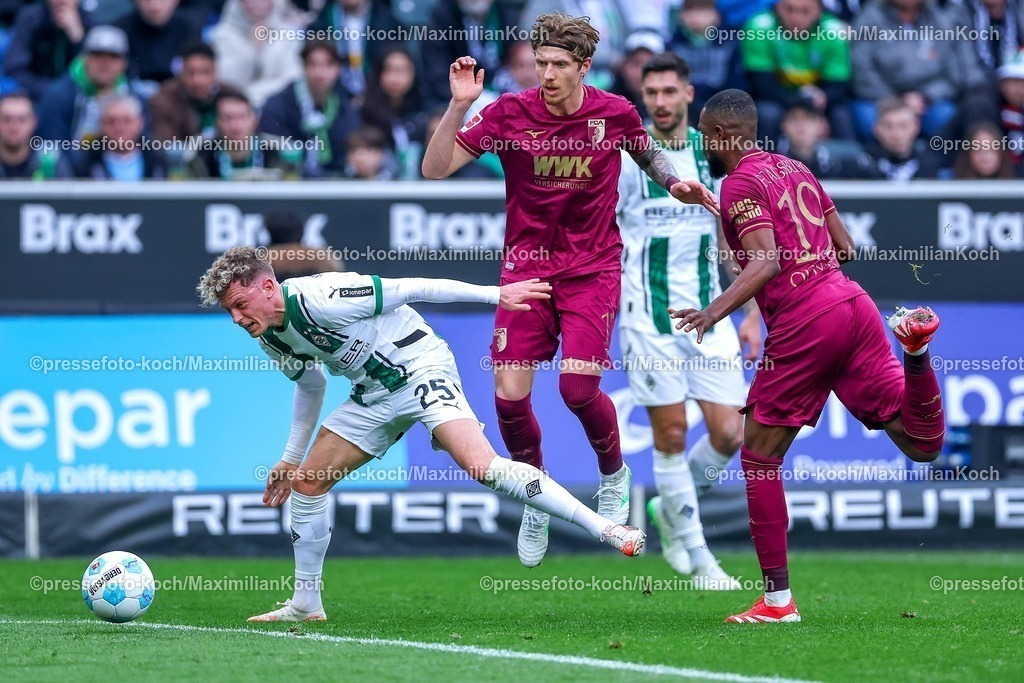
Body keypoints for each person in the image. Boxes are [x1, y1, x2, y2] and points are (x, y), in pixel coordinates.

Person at [196, 247, 647, 622]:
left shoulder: (322, 295)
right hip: (373, 393)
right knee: (308, 483)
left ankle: (605, 528)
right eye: (229, 311)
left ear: (268, 287)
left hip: (420, 369)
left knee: (482, 467)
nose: (236, 318)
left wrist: (497, 295)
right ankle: (305, 604)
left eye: (240, 305)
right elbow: (311, 384)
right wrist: (291, 457)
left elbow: (414, 287)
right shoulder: (270, 336)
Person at [421, 12, 718, 569]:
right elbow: (435, 169)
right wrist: (461, 103)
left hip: (592, 269)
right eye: (541, 64)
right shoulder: (508, 112)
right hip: (526, 271)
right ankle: (535, 494)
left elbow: (645, 152)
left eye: (559, 64)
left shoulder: (614, 112)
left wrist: (675, 181)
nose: (548, 74)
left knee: (578, 393)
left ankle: (613, 475)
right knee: (509, 398)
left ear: (584, 66)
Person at [676, 89, 946, 623]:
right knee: (920, 444)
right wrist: (719, 213)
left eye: (706, 134)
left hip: (806, 320)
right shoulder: (794, 167)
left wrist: (712, 313)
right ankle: (916, 354)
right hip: (853, 303)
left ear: (725, 135)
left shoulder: (738, 183)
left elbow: (767, 262)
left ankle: (777, 603)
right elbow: (845, 249)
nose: (703, 143)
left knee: (758, 457)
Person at [616, 53, 760, 588]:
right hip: (646, 319)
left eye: (669, 91)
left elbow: (735, 243)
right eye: (651, 92)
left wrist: (747, 314)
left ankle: (672, 515)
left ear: (688, 94)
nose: (660, 101)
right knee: (671, 434)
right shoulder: (630, 159)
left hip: (709, 316)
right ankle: (699, 559)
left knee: (730, 433)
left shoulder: (710, 157)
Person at [260, 40, 361, 178]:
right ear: (303, 67)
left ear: (338, 69)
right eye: (313, 64)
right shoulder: (278, 104)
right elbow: (269, 147)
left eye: (328, 65)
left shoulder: (345, 105)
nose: (320, 73)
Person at [36, 25, 147, 143]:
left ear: (124, 63)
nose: (105, 63)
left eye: (113, 57)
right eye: (97, 55)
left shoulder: (134, 98)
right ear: (84, 58)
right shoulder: (58, 96)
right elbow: (53, 147)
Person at [149, 42, 243, 143]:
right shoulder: (164, 101)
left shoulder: (231, 96)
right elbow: (164, 146)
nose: (198, 80)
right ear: (181, 72)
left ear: (215, 72)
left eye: (205, 72)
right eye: (191, 72)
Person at [2, 0, 93, 101]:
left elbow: (94, 74)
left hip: (79, 98)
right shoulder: (31, 18)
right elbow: (15, 68)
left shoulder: (90, 21)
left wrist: (78, 39)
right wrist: (52, 91)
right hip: (35, 96)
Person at [71, 93, 168, 179]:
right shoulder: (85, 162)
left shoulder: (158, 159)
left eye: (126, 120)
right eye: (111, 121)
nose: (119, 128)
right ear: (101, 124)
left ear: (140, 123)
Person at [865, 97, 943, 181]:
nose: (897, 135)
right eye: (888, 127)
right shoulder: (861, 165)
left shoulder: (928, 164)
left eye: (904, 126)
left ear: (916, 127)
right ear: (875, 128)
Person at [0, 92, 73, 179]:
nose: (14, 126)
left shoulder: (52, 158)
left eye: (22, 120)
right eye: (7, 119)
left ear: (33, 122)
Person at [952, 120, 1017, 178]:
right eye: (978, 149)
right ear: (968, 154)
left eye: (991, 149)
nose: (985, 155)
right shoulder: (950, 188)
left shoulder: (1018, 188)